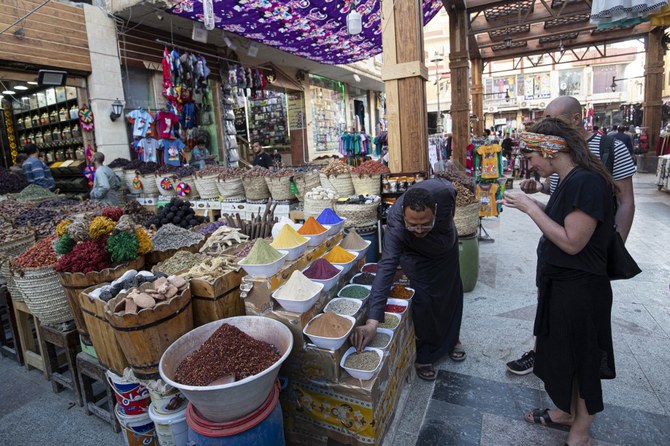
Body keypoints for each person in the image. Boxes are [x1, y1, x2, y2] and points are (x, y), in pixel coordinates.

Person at [499, 118, 617, 446]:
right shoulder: (568, 179)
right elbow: (565, 220)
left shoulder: (587, 182)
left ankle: (580, 433)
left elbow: (572, 241)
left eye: (533, 155)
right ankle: (567, 411)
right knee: (565, 356)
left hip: (581, 290)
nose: (531, 164)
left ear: (552, 149)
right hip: (563, 286)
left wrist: (529, 209)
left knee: (583, 361)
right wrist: (536, 204)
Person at [507, 96, 635, 376]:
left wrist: (613, 248)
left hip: (580, 264)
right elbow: (563, 202)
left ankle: (572, 402)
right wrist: (537, 192)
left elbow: (624, 202)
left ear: (575, 120)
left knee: (579, 339)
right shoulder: (564, 163)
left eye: (555, 122)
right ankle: (546, 356)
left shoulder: (595, 161)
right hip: (560, 256)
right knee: (554, 316)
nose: (549, 129)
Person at [350, 178, 465, 381]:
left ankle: (453, 339)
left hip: (446, 249)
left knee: (451, 292)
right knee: (423, 299)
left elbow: (451, 207)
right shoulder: (396, 226)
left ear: (435, 211)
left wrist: (440, 228)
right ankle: (426, 352)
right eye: (413, 225)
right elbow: (386, 268)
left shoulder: (445, 192)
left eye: (425, 223)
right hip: (416, 256)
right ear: (404, 216)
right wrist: (372, 322)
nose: (419, 230)